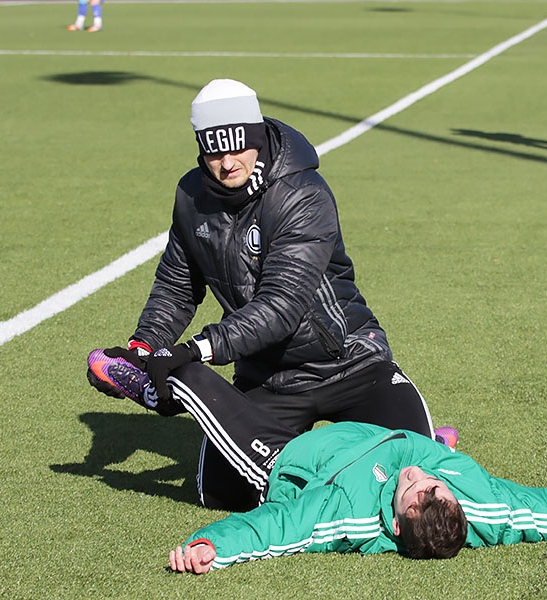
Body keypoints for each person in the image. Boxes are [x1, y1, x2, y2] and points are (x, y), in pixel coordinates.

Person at [87, 79, 446, 512]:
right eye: (214, 150)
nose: (227, 162)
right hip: (268, 378)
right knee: (223, 494)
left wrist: (195, 352)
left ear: (255, 136)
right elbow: (177, 285)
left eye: (237, 145)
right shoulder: (191, 196)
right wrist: (144, 350)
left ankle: (413, 434)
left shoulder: (303, 194)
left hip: (348, 363)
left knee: (421, 471)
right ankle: (330, 450)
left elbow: (281, 306)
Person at [165, 421, 547, 574]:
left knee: (219, 412)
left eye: (413, 489)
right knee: (404, 410)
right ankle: (435, 435)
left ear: (399, 526)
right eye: (433, 484)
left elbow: (277, 528)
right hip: (381, 427)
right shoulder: (480, 503)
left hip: (295, 455)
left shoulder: (350, 516)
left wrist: (211, 545)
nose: (416, 478)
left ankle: (158, 372)